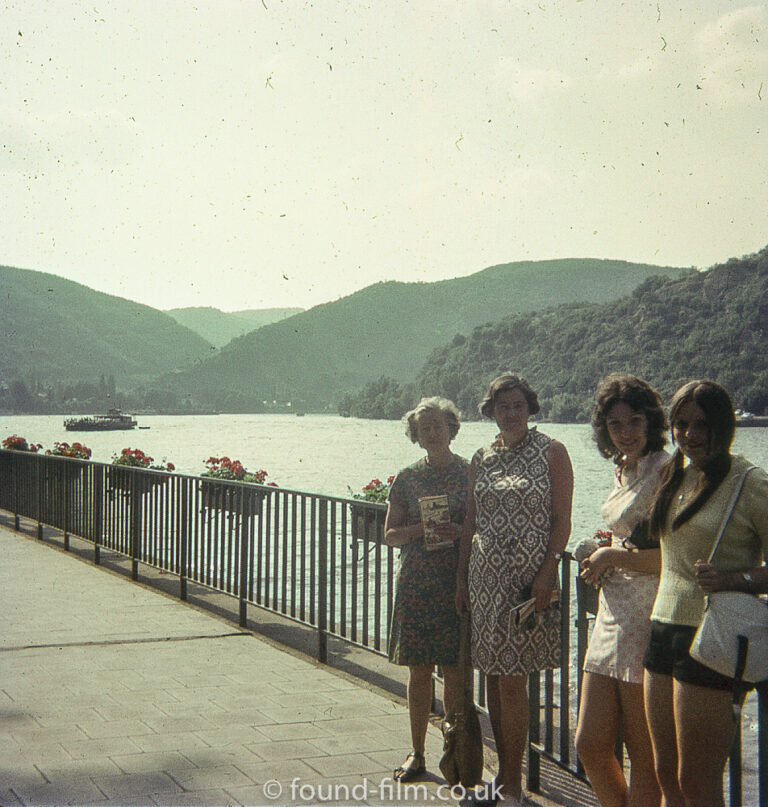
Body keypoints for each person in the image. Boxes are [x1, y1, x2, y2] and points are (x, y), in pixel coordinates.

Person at [643, 380, 768, 807]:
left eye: (702, 425)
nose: (690, 435)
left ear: (724, 426)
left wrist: (733, 580)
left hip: (711, 639)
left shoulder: (749, 482)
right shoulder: (674, 473)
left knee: (697, 784)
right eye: (681, 424)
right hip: (662, 628)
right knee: (667, 775)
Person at [456, 374, 573, 806]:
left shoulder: (552, 452)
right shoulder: (481, 457)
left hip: (526, 582)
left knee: (512, 680)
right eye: (502, 405)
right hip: (484, 580)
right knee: (492, 671)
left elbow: (562, 521)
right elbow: (471, 522)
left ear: (530, 408)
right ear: (490, 411)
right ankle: (502, 775)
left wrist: (547, 573)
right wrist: (461, 580)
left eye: (518, 404)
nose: (511, 412)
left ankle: (512, 783)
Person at [574, 374, 668, 807]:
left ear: (651, 421)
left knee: (643, 752)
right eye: (615, 424)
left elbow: (670, 559)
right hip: (613, 608)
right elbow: (630, 537)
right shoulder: (624, 469)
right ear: (604, 430)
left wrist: (612, 558)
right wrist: (601, 551)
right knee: (590, 743)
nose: (626, 431)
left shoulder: (666, 470)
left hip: (647, 612)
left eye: (634, 420)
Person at [385, 396, 470, 782]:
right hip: (417, 582)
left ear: (451, 428)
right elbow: (389, 535)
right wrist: (423, 528)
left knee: (454, 672)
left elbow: (484, 527)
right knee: (419, 672)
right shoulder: (407, 478)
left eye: (438, 425)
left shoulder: (471, 473)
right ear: (416, 436)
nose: (432, 432)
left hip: (456, 581)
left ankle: (453, 757)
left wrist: (461, 531)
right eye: (424, 428)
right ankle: (417, 753)